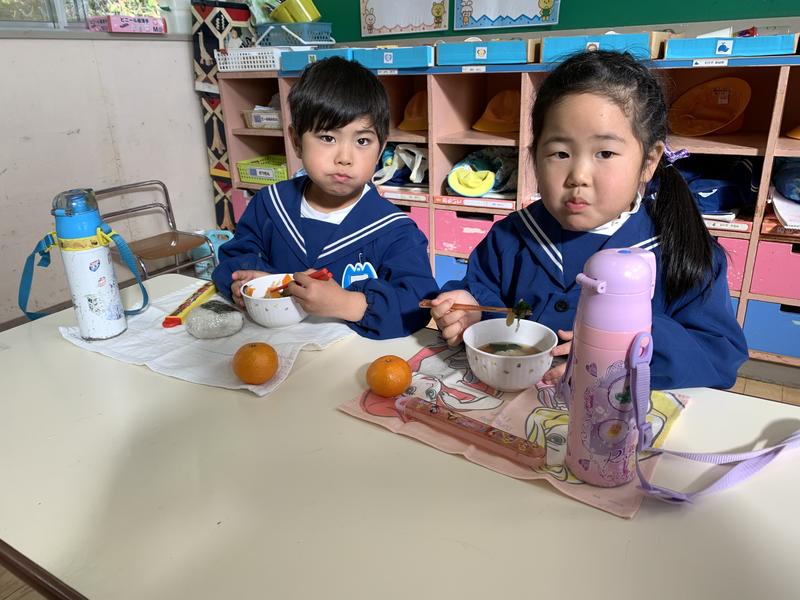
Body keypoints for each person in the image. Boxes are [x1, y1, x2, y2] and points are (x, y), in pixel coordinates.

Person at [429, 50, 748, 390]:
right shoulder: (511, 237)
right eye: (560, 153)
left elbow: (720, 356)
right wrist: (470, 310)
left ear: (649, 161)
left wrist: (632, 343)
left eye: (605, 153)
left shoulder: (683, 251)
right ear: (534, 157)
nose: (578, 176)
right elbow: (482, 293)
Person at [212, 57, 438, 339]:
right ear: (297, 141)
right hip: (273, 346)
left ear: (380, 150)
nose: (344, 158)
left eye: (362, 141)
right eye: (328, 138)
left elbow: (419, 303)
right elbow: (233, 258)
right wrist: (245, 281)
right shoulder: (269, 205)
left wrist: (349, 303)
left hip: (350, 359)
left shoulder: (395, 231)